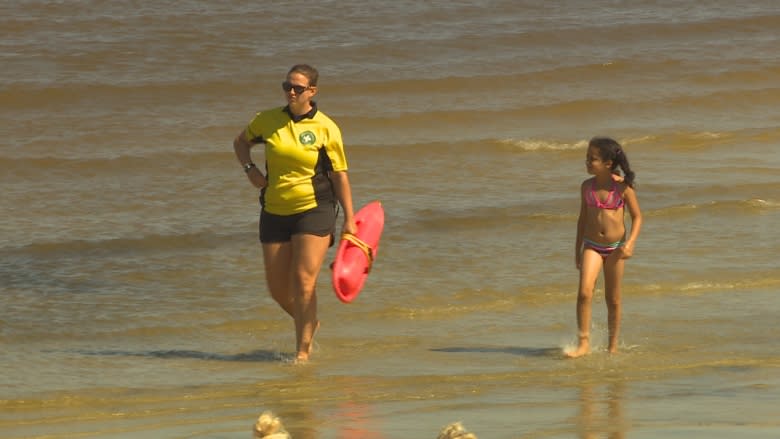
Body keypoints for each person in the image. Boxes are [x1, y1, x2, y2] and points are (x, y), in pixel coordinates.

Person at [233, 64, 357, 363]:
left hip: (315, 209)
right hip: (274, 209)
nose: (291, 91)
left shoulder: (326, 127)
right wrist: (250, 170)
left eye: (298, 88)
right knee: (277, 289)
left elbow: (340, 176)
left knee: (303, 282)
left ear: (312, 92)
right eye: (287, 86)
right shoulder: (267, 120)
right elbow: (240, 143)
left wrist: (350, 221)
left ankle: (302, 353)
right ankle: (309, 322)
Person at [566, 137, 643, 358]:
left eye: (593, 159)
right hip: (592, 246)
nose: (587, 162)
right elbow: (582, 220)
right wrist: (577, 249)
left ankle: (613, 346)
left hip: (617, 248)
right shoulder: (586, 187)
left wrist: (630, 244)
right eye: (587, 158)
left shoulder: (622, 187)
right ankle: (583, 343)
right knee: (584, 293)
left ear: (608, 163)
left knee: (613, 299)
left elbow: (638, 218)